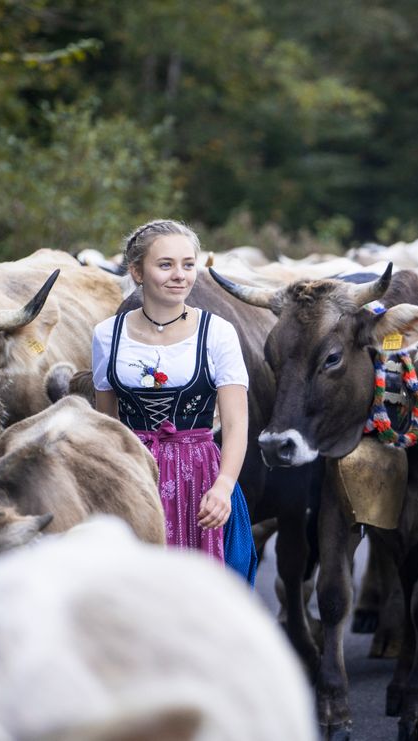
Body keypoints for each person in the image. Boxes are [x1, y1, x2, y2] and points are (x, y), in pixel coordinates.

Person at [92, 219, 257, 586]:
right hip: (133, 475)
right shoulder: (107, 335)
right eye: (165, 265)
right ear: (137, 271)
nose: (179, 275)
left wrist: (224, 487)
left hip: (200, 476)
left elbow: (235, 424)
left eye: (187, 264)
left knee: (203, 593)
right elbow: (107, 423)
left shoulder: (218, 333)